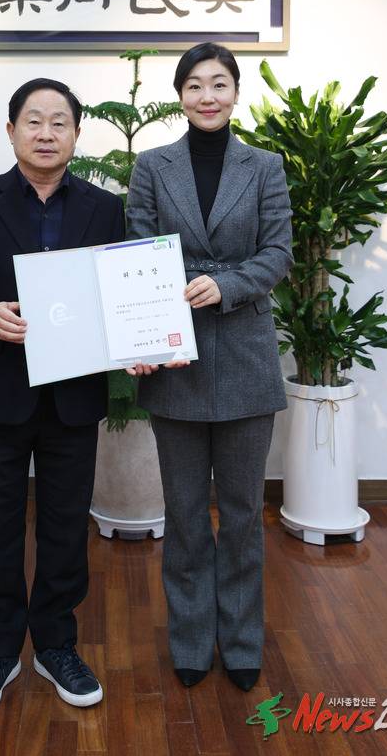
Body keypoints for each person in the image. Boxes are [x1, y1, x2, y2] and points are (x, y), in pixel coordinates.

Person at [0, 78, 125, 715]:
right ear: (11, 131)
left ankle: (57, 645)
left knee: (66, 526)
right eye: (33, 121)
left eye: (59, 122)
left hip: (73, 394)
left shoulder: (104, 208)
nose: (46, 133)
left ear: (76, 134)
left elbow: (122, 290)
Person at [125, 43, 293, 692]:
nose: (207, 96)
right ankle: (192, 639)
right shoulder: (152, 166)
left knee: (244, 514)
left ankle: (243, 640)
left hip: (246, 355)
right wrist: (144, 327)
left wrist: (227, 285)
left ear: (235, 92)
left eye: (219, 83)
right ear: (180, 95)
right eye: (194, 84)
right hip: (175, 356)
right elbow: (138, 248)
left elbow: (278, 251)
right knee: (187, 514)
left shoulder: (265, 166)